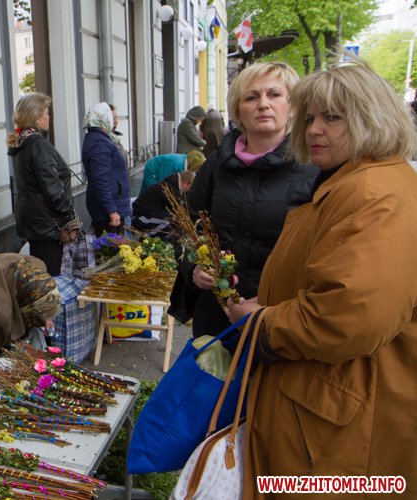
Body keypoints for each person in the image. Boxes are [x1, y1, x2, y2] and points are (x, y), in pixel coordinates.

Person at [226, 61, 417, 496]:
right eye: (310, 117)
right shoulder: (357, 182)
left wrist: (262, 322)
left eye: (332, 117)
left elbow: (350, 315)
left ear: (371, 117)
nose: (314, 129)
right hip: (327, 411)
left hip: (340, 423)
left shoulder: (373, 193)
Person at [171, 62, 318, 335]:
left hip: (278, 315)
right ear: (238, 110)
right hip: (217, 310)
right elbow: (187, 225)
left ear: (293, 106)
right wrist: (194, 268)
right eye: (251, 97)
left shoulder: (313, 167)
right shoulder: (217, 164)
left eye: (274, 94)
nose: (263, 104)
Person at [7, 93, 80, 275]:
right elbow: (52, 189)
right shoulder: (37, 144)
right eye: (47, 113)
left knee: (41, 274)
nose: (49, 117)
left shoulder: (23, 142)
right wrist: (69, 216)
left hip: (35, 221)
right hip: (47, 224)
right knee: (50, 277)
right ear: (37, 118)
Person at [81, 102, 132, 236]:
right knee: (111, 247)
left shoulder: (101, 139)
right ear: (104, 118)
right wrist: (112, 211)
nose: (113, 121)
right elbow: (100, 179)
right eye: (110, 117)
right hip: (109, 211)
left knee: (118, 246)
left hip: (113, 205)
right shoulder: (99, 142)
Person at [131, 170, 195, 239]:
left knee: (172, 219)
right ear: (185, 183)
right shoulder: (170, 190)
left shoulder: (170, 186)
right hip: (140, 218)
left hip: (148, 215)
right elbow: (178, 211)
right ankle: (146, 238)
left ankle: (155, 237)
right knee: (171, 221)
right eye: (190, 187)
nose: (189, 190)